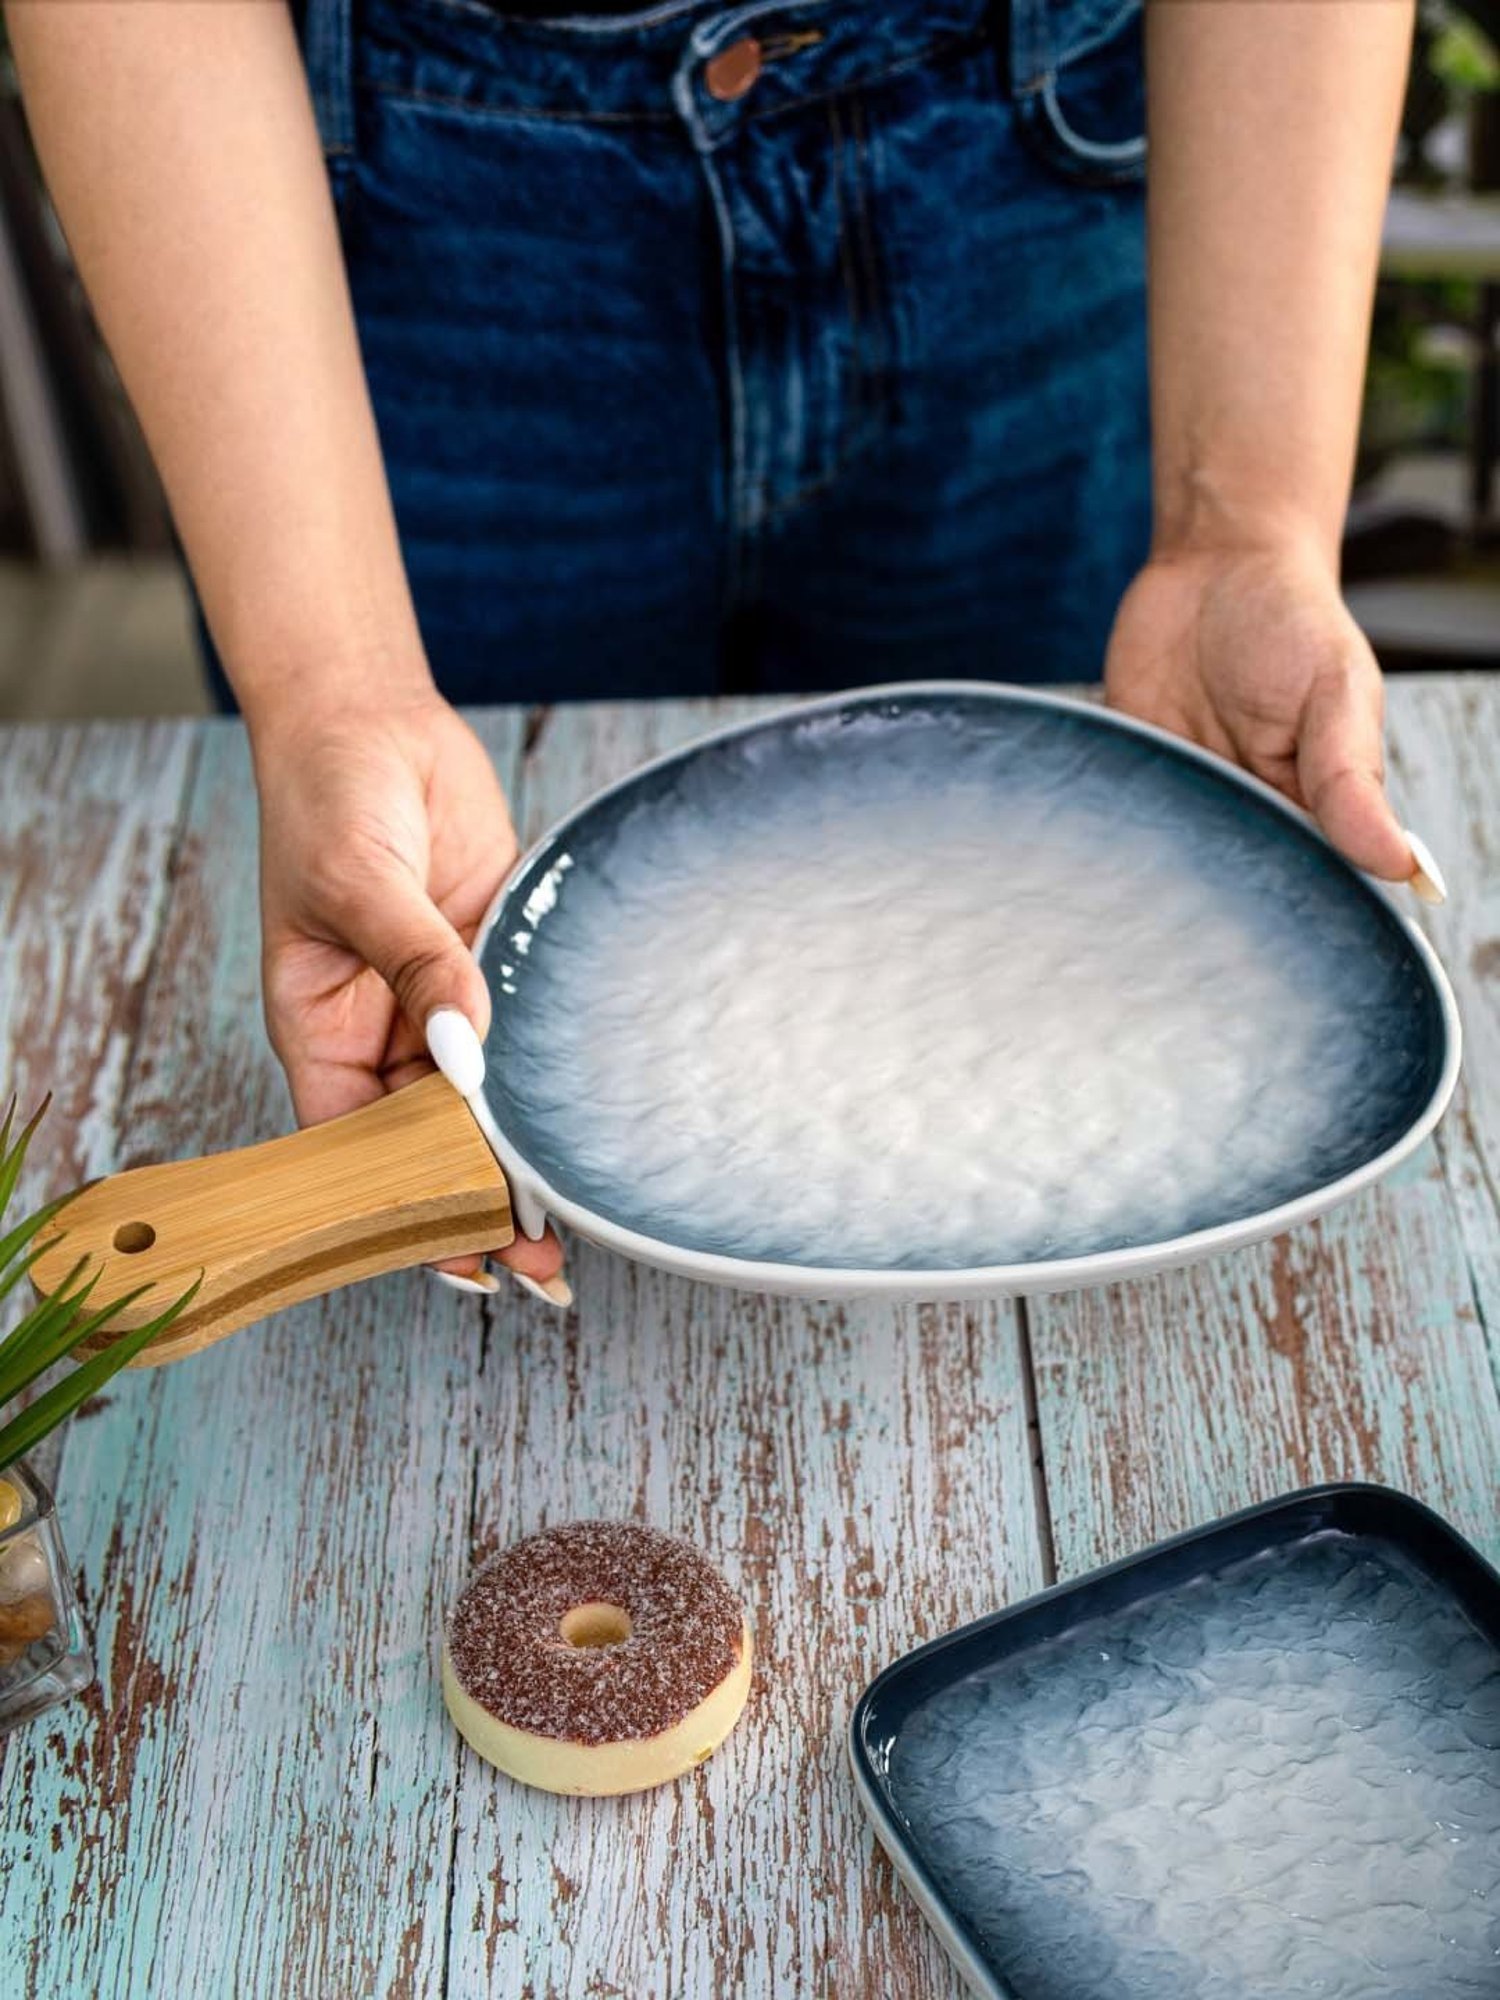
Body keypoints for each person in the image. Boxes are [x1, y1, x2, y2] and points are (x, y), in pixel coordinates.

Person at [8, 0, 1428, 1290]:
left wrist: (1249, 525)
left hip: (1026, 158)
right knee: (434, 931)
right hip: (404, 226)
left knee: (1091, 899)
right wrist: (334, 692)